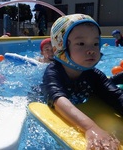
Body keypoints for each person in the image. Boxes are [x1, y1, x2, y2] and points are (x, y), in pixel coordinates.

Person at [41, 14, 122, 149]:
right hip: (45, 99)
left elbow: (116, 96)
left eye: (96, 43)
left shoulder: (93, 74)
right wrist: (91, 128)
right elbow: (58, 99)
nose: (91, 50)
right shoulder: (53, 72)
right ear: (61, 47)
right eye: (81, 43)